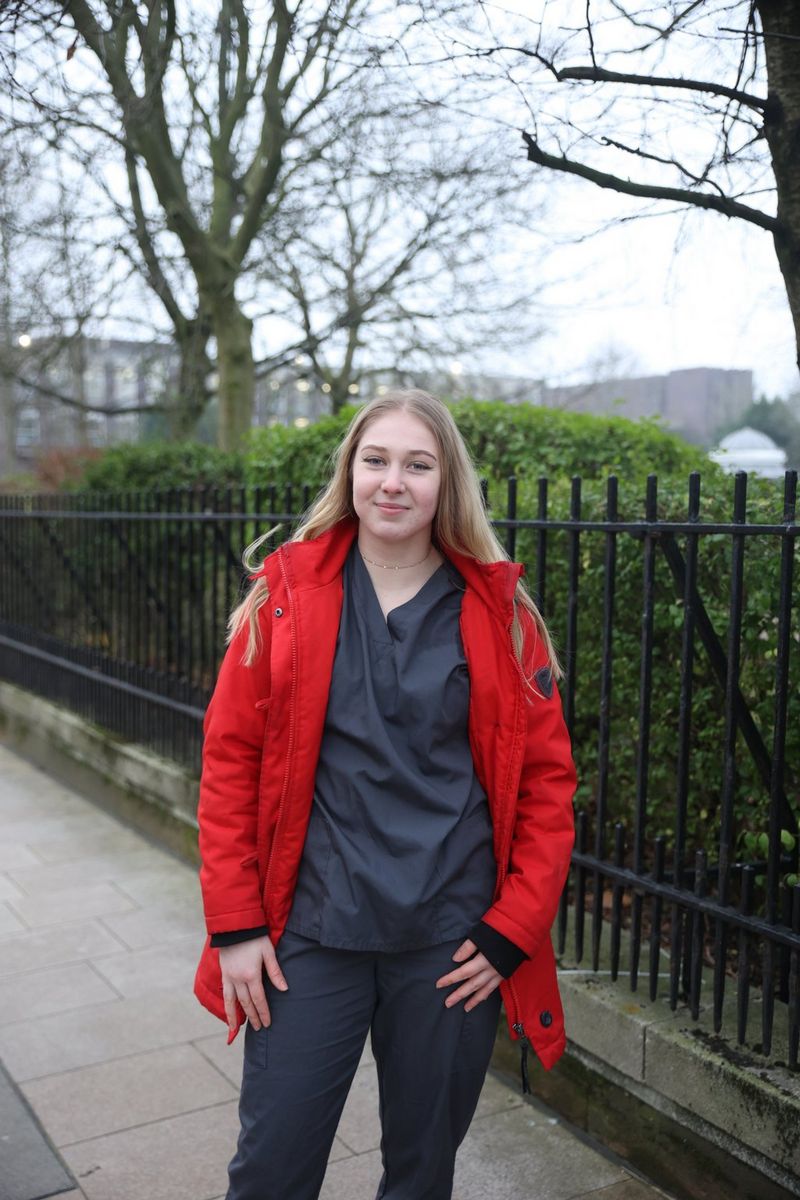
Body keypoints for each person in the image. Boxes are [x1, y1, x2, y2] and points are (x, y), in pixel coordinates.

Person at [193, 389, 576, 1200]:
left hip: (449, 943)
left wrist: (513, 929)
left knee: (420, 1173)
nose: (392, 482)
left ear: (448, 483)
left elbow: (547, 788)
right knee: (271, 1168)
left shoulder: (503, 618)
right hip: (310, 934)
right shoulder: (285, 599)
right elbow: (229, 760)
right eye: (376, 461)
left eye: (417, 464)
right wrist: (235, 924)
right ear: (350, 473)